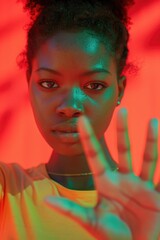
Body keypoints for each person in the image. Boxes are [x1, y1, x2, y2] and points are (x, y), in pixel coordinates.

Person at [0, 0, 160, 239]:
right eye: (49, 84)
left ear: (120, 90)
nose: (70, 107)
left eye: (94, 85)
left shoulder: (149, 209)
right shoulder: (8, 189)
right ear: (28, 83)